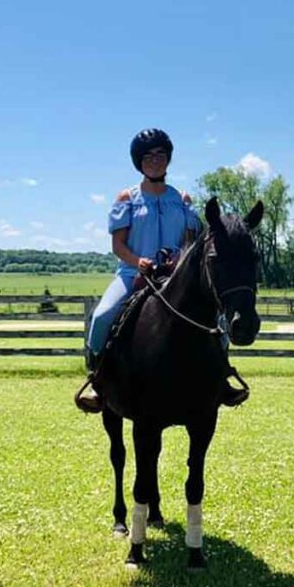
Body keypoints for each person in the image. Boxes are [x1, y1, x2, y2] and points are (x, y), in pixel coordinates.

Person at [77, 128, 248, 413]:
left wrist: (180, 256)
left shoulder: (182, 200)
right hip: (133, 274)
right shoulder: (126, 198)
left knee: (217, 321)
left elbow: (191, 240)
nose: (155, 160)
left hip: (176, 275)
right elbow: (118, 245)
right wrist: (137, 261)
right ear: (139, 162)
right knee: (102, 316)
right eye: (148, 156)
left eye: (160, 154)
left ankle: (222, 379)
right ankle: (97, 381)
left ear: (168, 158)